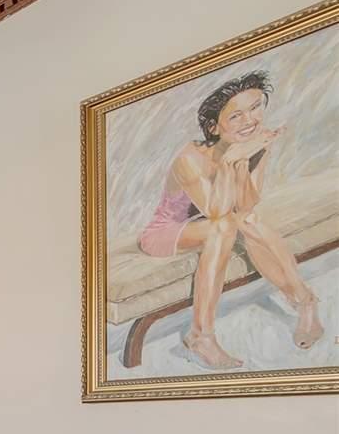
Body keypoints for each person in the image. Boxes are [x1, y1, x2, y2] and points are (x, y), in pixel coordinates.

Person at [138, 70, 324, 369]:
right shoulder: (190, 159)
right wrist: (229, 161)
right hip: (166, 231)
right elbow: (217, 212)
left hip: (213, 222)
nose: (250, 120)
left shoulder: (251, 145)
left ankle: (305, 302)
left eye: (255, 108)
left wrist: (255, 155)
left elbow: (247, 203)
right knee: (223, 226)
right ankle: (201, 335)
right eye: (236, 116)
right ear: (214, 126)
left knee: (248, 220)